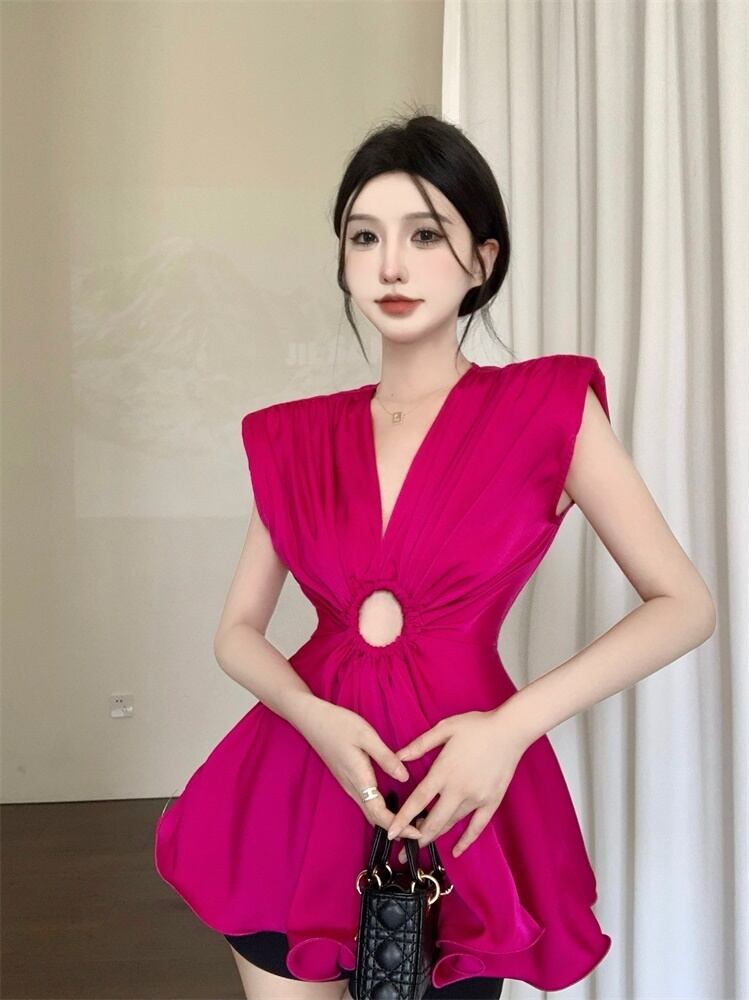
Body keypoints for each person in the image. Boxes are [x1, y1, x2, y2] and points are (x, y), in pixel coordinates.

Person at [154, 111, 716, 1000]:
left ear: (481, 260)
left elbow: (683, 604)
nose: (390, 265)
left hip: (458, 794)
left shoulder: (547, 407)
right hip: (295, 783)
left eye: (424, 235)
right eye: (363, 237)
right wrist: (312, 717)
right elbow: (237, 632)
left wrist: (511, 728)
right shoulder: (296, 437)